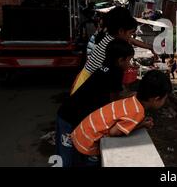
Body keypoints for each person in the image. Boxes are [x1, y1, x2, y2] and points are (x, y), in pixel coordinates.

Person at [55, 39, 134, 167]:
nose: (130, 64)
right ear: (120, 60)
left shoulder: (105, 66)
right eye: (129, 60)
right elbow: (114, 102)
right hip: (69, 118)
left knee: (72, 156)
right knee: (66, 159)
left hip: (71, 114)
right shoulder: (115, 72)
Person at [71, 70, 172, 166]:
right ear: (156, 99)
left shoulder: (132, 98)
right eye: (165, 98)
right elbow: (114, 132)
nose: (165, 102)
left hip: (80, 133)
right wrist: (141, 125)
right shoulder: (137, 112)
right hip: (86, 144)